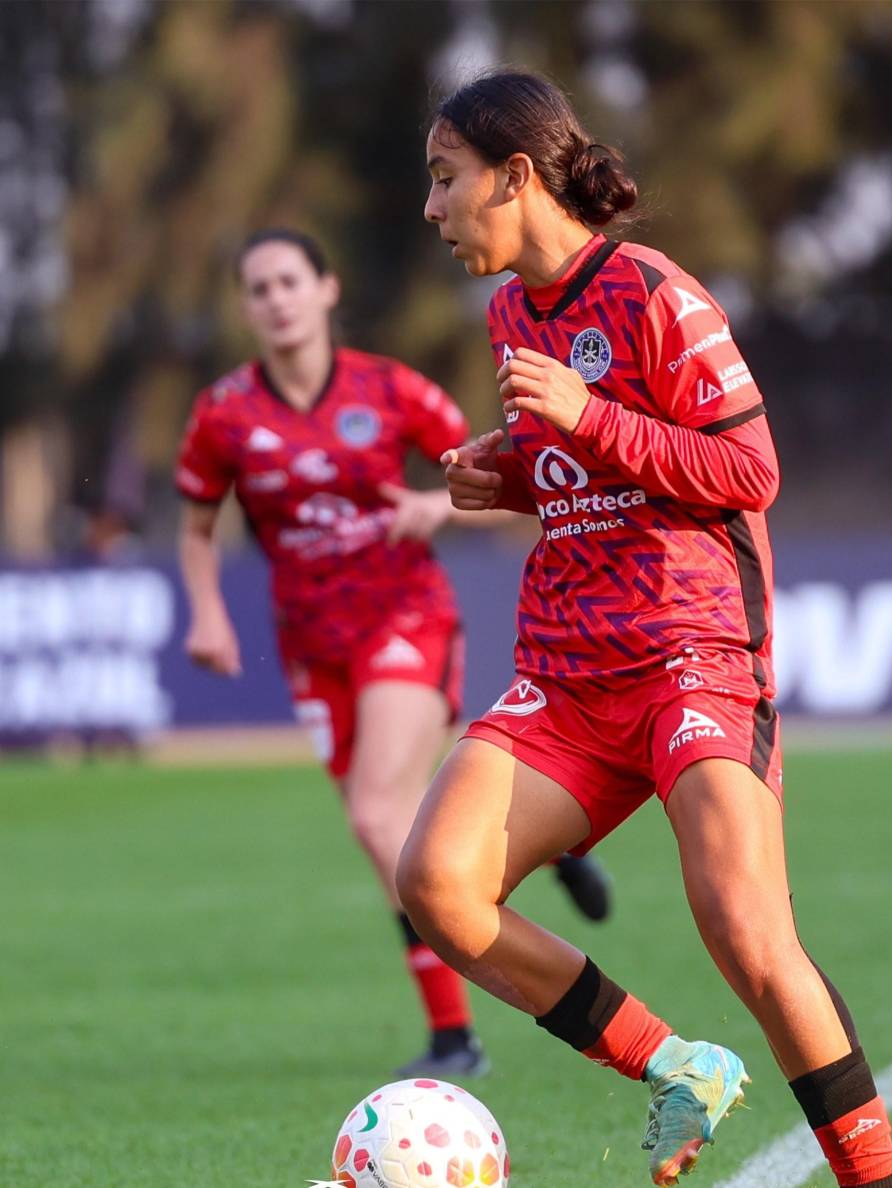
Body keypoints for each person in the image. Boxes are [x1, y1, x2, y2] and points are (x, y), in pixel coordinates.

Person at [400, 71, 892, 1187]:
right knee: (435, 885)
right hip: (567, 675)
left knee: (747, 934)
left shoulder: (651, 293)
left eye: (444, 181)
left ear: (514, 176)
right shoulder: (507, 311)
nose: (430, 209)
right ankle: (678, 1066)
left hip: (691, 657)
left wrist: (585, 417)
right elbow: (592, 473)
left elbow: (745, 471)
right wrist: (513, 472)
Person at [175, 227, 613, 1078]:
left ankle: (457, 1034)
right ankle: (551, 848)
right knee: (397, 826)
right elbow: (196, 527)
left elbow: (491, 463)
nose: (276, 299)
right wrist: (205, 613)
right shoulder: (225, 412)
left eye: (289, 281)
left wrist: (435, 506)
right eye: (258, 288)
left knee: (379, 814)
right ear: (246, 307)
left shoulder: (388, 388)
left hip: (404, 619)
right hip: (311, 644)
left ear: (327, 290)